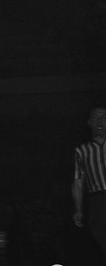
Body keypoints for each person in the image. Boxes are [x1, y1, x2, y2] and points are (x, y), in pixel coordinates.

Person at [72, 107, 106, 257]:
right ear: (90, 122)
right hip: (96, 200)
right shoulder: (82, 151)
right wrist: (78, 209)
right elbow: (78, 182)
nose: (100, 121)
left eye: (104, 117)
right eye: (96, 118)